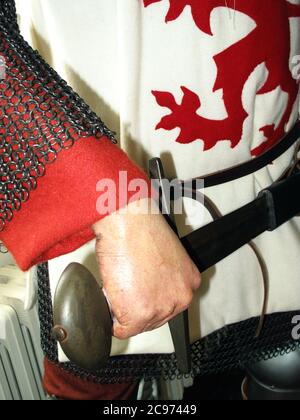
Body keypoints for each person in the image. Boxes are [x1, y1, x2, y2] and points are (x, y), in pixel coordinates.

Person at [0, 0, 299, 400]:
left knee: (282, 369)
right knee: (98, 390)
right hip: (115, 224)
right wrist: (113, 207)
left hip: (280, 171)